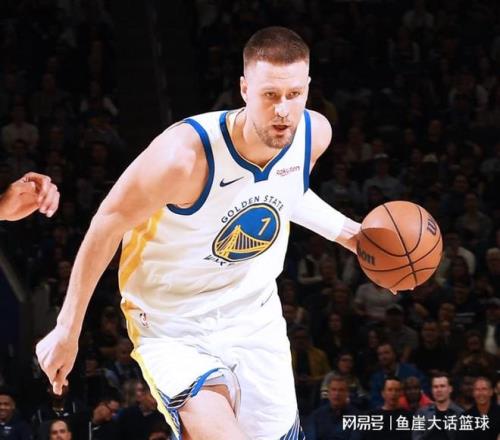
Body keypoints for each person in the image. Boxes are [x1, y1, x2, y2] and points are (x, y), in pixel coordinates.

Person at [36, 26, 363, 440]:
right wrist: (67, 329)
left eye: (293, 94)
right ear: (244, 89)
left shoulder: (313, 136)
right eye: (270, 95)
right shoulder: (183, 157)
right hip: (172, 323)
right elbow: (107, 223)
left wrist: (350, 234)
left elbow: (284, 191)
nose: (283, 110)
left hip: (253, 313)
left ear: (308, 89)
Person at [304, 374, 360, 440]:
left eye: (341, 390)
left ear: (347, 394)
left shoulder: (357, 417)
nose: (337, 394)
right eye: (333, 389)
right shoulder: (316, 416)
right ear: (328, 393)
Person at [412, 373, 463, 440]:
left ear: (450, 389)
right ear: (431, 390)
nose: (439, 390)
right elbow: (416, 437)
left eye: (442, 386)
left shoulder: (460, 413)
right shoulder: (422, 413)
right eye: (435, 387)